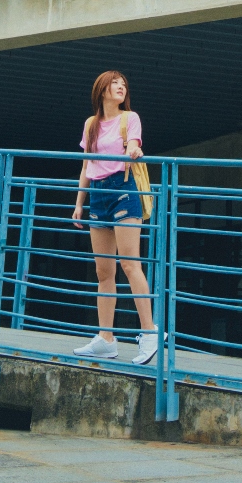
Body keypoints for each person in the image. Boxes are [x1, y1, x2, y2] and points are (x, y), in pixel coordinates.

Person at [69, 69, 157, 363]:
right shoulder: (90, 124)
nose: (121, 87)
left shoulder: (129, 118)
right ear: (102, 90)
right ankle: (106, 338)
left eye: (123, 84)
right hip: (97, 194)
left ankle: (149, 332)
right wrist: (79, 203)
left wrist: (133, 149)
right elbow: (86, 165)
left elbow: (134, 142)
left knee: (130, 264)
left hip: (123, 190)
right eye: (114, 83)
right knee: (104, 272)